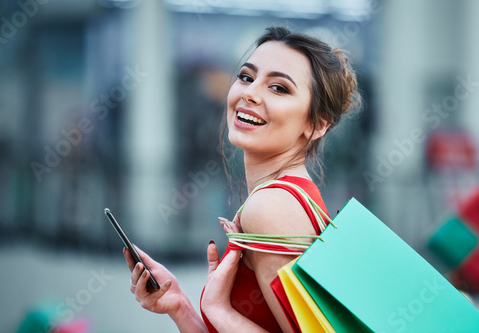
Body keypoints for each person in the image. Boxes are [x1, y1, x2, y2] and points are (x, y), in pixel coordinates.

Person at [124, 26, 360, 332]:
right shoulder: (293, 197)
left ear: (317, 125)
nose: (249, 92)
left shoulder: (271, 207)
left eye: (278, 88)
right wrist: (181, 305)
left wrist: (218, 309)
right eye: (247, 77)